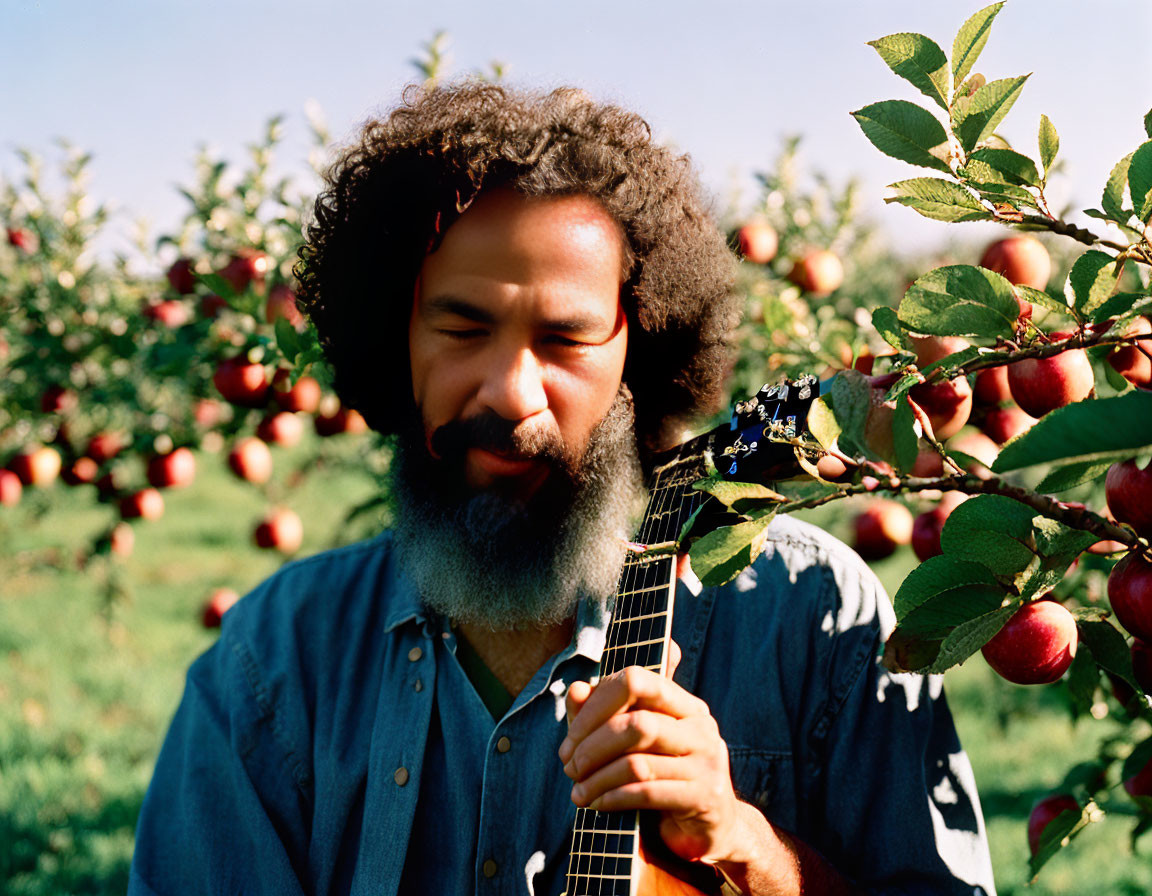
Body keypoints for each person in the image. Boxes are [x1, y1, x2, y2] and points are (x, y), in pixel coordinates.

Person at [129, 83, 996, 895]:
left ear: (638, 358)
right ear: (398, 342)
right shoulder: (274, 667)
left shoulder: (812, 618)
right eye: (463, 326)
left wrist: (743, 842)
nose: (512, 392)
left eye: (566, 340)